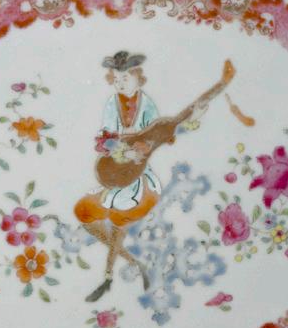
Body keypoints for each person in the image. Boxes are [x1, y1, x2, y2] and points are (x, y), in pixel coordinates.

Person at [74, 50, 205, 302]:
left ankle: (109, 276)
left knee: (120, 218)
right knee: (84, 212)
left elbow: (162, 134)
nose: (119, 83)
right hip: (115, 170)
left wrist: (192, 120)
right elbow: (105, 138)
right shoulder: (112, 104)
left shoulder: (147, 105)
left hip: (138, 174)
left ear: (139, 78)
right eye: (116, 79)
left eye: (125, 78)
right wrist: (118, 148)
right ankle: (132, 262)